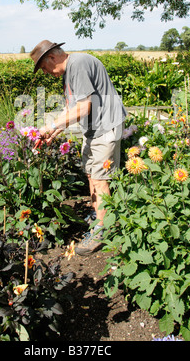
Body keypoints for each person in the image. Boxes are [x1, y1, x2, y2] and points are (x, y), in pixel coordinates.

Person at [30, 39, 127, 255]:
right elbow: (71, 109)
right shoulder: (69, 74)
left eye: (44, 68)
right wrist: (52, 134)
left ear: (53, 58)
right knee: (92, 175)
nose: (46, 73)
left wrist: (51, 125)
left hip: (105, 127)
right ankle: (99, 215)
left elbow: (84, 108)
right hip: (93, 129)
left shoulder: (79, 64)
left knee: (100, 180)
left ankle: (102, 230)